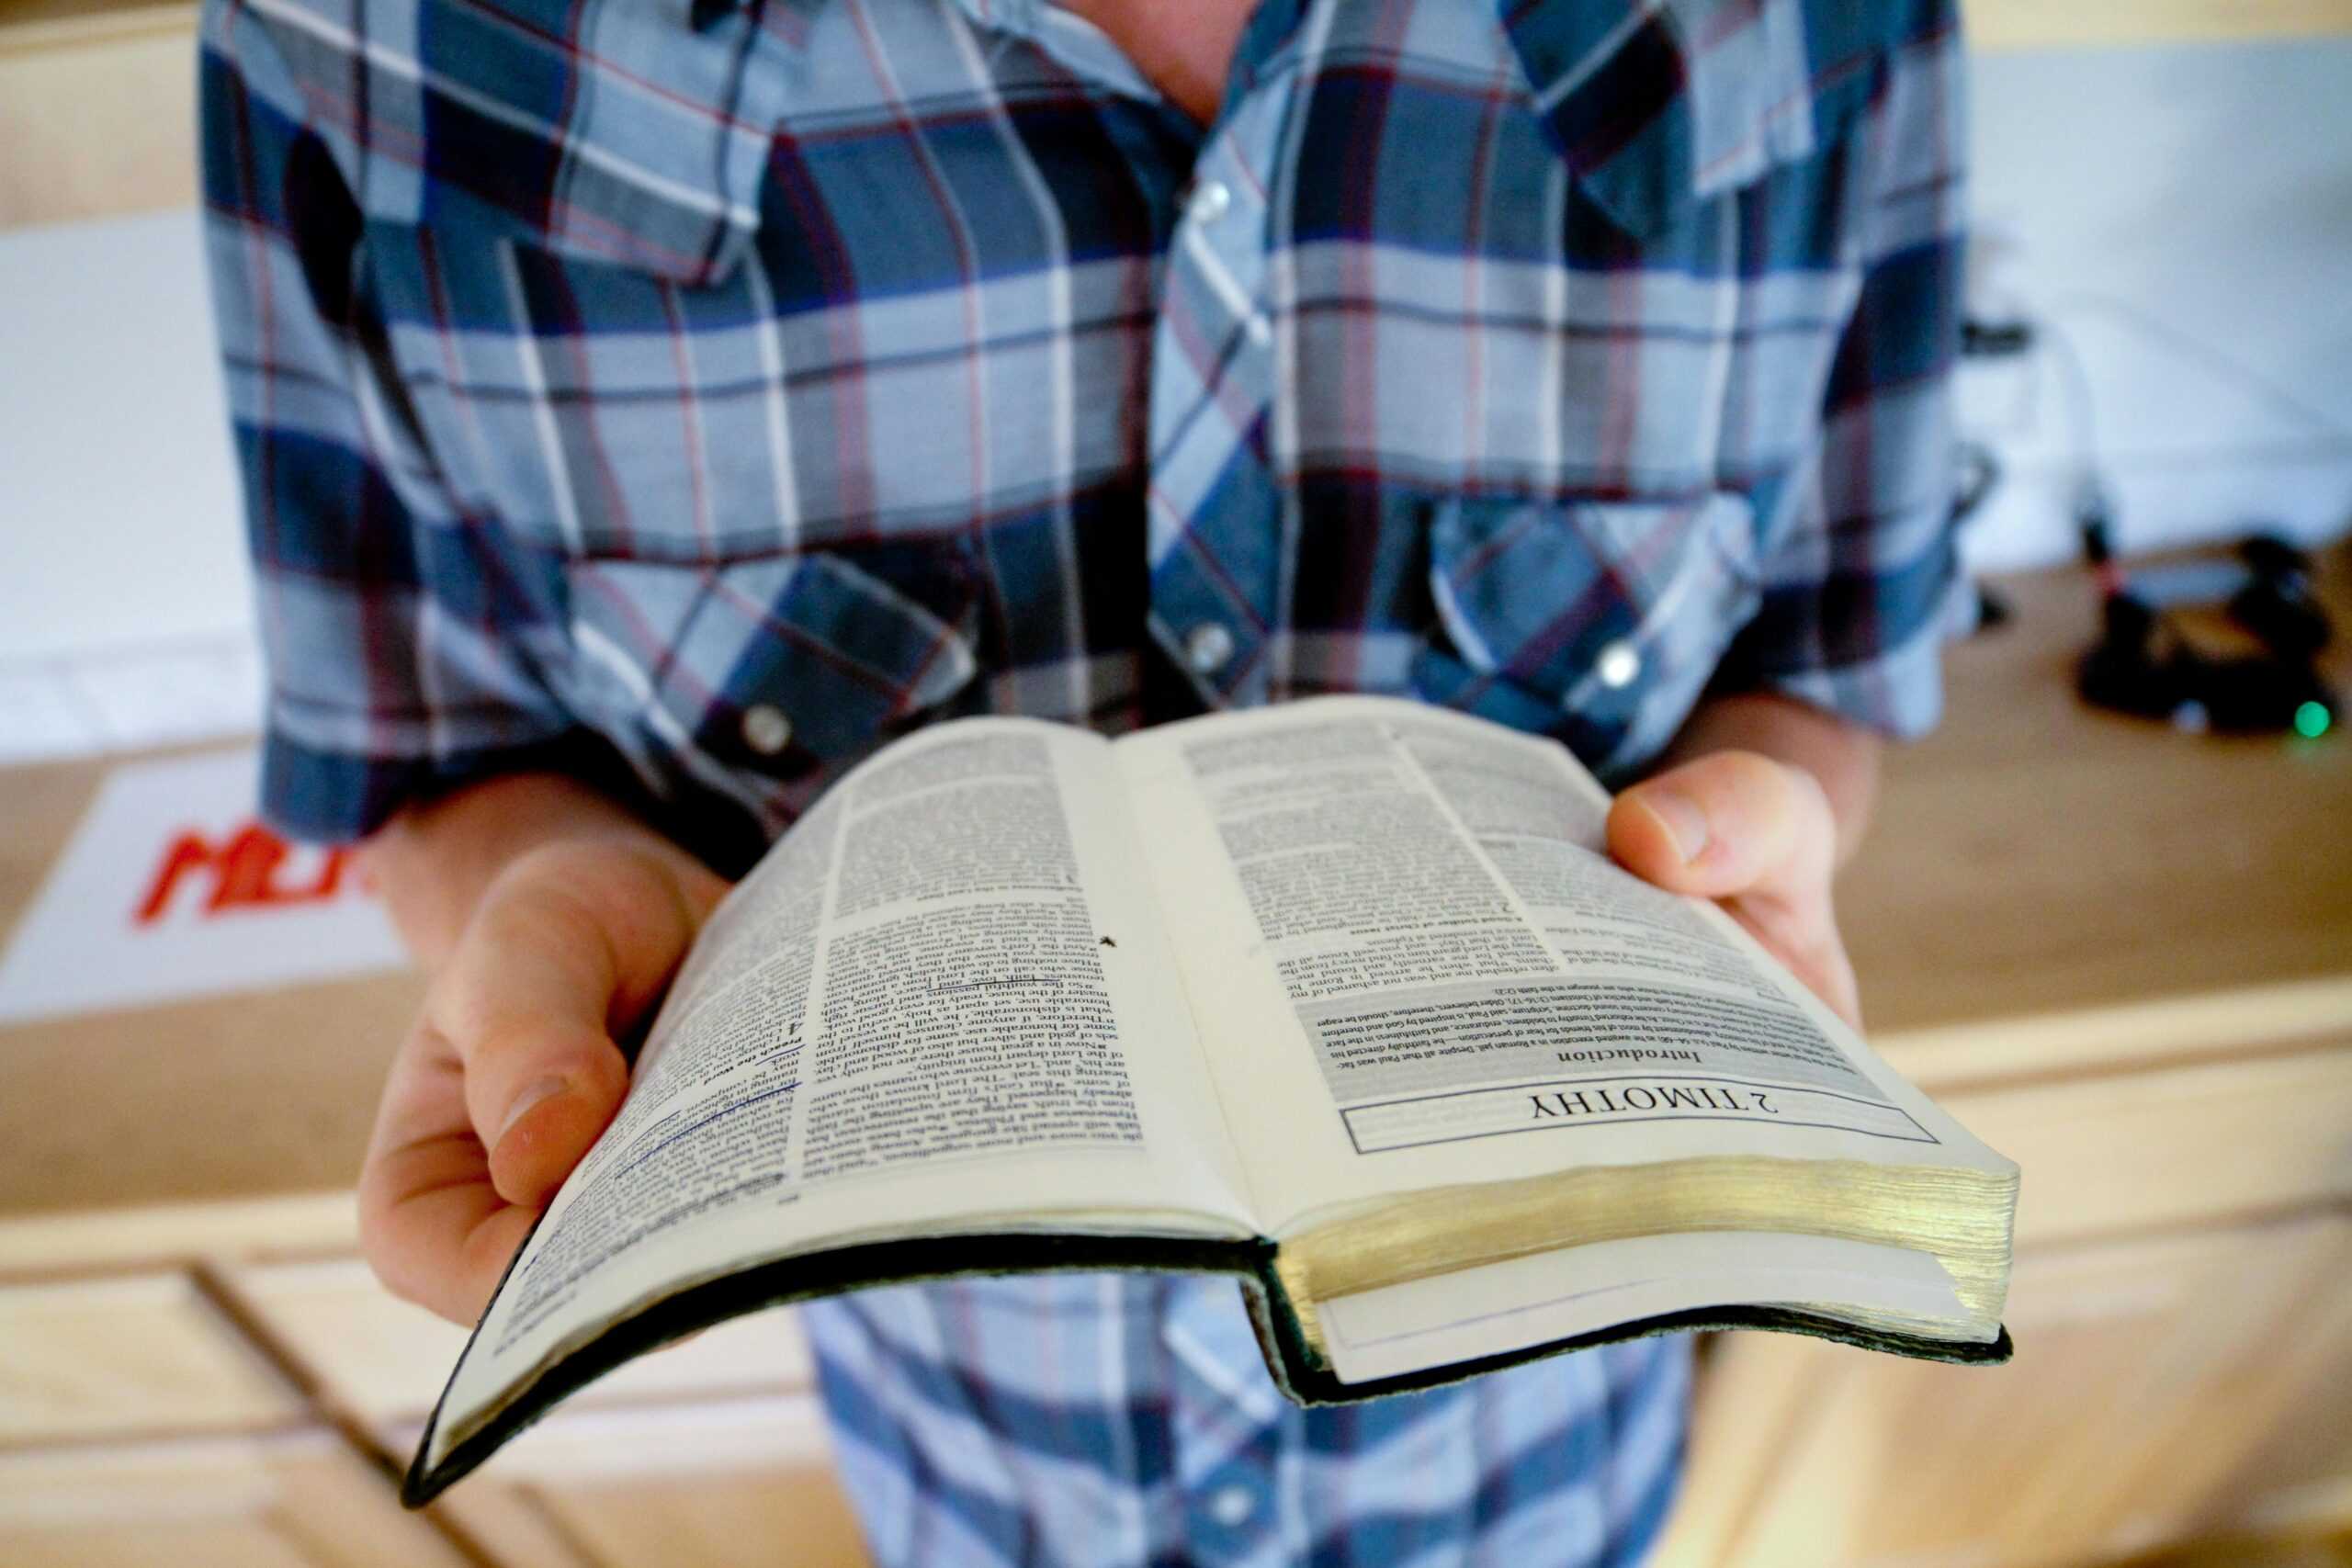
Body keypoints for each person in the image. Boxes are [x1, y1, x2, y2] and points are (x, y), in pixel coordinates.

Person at [199, 0, 1968, 1560]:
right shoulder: (367, 46)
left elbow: (1818, 666)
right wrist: (543, 894)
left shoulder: (1825, 24)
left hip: (1552, 1458)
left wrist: (1767, 818)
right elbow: (440, 747)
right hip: (972, 1468)